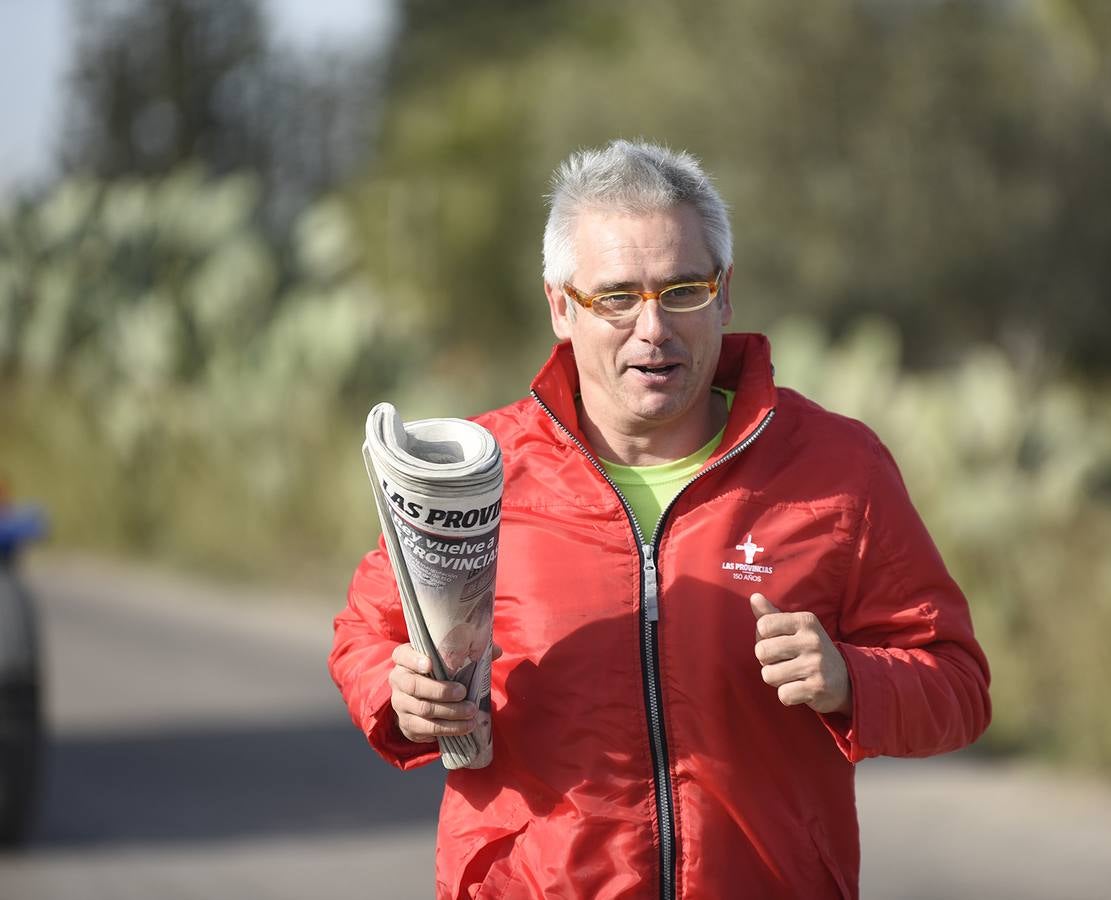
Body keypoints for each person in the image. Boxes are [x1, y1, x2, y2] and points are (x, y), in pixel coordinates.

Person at [329, 140, 991, 899]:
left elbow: (959, 687)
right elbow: (363, 635)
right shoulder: (481, 471)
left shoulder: (837, 468)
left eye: (682, 290)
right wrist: (395, 693)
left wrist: (850, 680)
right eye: (616, 297)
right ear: (559, 306)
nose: (653, 328)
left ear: (724, 294)